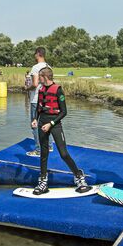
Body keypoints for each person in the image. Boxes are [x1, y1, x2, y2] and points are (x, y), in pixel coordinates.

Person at [31, 67, 91, 195]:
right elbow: (38, 108)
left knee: (63, 153)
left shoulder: (58, 90)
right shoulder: (41, 90)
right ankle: (43, 181)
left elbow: (64, 112)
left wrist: (51, 123)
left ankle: (79, 176)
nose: (38, 79)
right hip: (42, 123)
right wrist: (35, 119)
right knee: (44, 153)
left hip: (55, 124)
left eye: (40, 77)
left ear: (45, 77)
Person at [25, 47, 50, 157]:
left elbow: (35, 84)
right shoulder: (49, 66)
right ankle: (49, 146)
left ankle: (38, 150)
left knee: (35, 124)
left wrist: (26, 87)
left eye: (35, 54)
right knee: (46, 122)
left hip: (36, 99)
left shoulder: (35, 67)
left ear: (38, 54)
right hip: (47, 99)